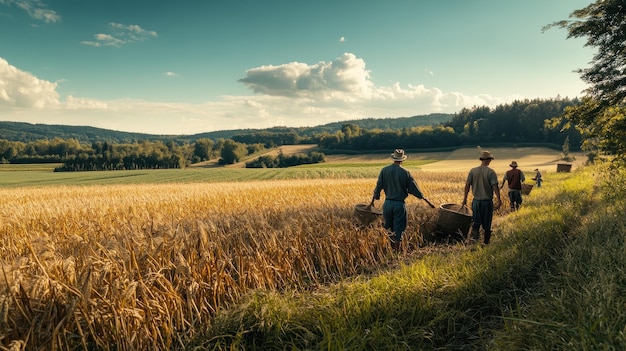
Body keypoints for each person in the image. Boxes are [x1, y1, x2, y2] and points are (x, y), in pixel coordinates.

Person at [370, 149, 430, 251]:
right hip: (399, 204)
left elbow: (378, 185)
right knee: (399, 230)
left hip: (387, 204)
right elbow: (413, 188)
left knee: (388, 228)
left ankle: (390, 249)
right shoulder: (405, 173)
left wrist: (376, 197)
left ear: (393, 158)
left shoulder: (384, 170)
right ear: (402, 160)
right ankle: (396, 252)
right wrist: (421, 196)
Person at [462, 151, 502, 244]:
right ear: (488, 160)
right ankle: (486, 243)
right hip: (487, 202)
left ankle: (474, 242)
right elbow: (495, 187)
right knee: (487, 224)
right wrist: (499, 200)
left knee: (476, 222)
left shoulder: (473, 171)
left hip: (476, 202)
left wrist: (464, 199)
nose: (490, 161)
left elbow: (467, 186)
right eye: (490, 160)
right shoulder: (491, 172)